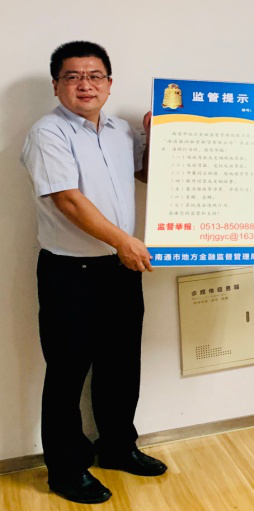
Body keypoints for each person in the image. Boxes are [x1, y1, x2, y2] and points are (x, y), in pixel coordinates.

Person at [20, 41, 166, 505]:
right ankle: (65, 470)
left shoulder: (122, 131)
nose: (85, 84)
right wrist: (123, 240)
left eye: (94, 75)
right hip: (71, 271)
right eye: (73, 76)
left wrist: (161, 138)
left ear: (109, 83)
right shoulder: (47, 133)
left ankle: (118, 447)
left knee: (121, 366)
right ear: (56, 85)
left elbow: (149, 175)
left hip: (121, 268)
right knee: (67, 374)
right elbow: (67, 199)